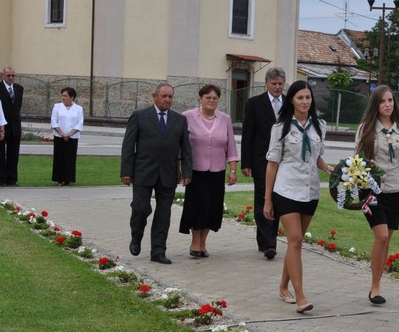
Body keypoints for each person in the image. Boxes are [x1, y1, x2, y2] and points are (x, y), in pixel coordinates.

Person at [263, 80, 331, 314]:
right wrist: (268, 199)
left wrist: (328, 168)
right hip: (287, 189)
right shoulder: (280, 127)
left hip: (310, 190)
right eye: (300, 97)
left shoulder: (319, 126)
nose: (304, 101)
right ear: (291, 99)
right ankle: (300, 296)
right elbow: (272, 163)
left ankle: (283, 287)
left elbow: (317, 156)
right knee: (295, 239)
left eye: (308, 97)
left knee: (296, 243)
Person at [354, 85, 399, 305]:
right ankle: (375, 287)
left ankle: (377, 282)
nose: (387, 105)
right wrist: (365, 164)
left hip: (394, 190)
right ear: (376, 104)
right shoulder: (366, 129)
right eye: (383, 101)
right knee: (381, 236)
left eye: (390, 100)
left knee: (386, 239)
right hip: (371, 190)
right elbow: (357, 160)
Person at [120, 82, 193, 264]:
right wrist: (126, 171)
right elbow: (128, 145)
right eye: (164, 96)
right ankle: (136, 237)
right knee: (140, 208)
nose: (167, 99)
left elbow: (186, 148)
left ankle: (158, 251)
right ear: (154, 97)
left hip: (168, 174)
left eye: (170, 97)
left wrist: (187, 172)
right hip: (143, 172)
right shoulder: (139, 116)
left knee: (163, 214)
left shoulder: (179, 120)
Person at [179, 84, 239, 258]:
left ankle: (203, 243)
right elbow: (181, 145)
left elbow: (231, 146)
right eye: (208, 98)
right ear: (200, 98)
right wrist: (180, 168)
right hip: (195, 171)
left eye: (215, 98)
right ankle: (195, 242)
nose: (211, 101)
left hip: (217, 171)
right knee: (197, 206)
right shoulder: (187, 116)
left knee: (212, 207)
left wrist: (233, 170)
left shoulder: (225, 119)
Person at [241, 67, 287, 260]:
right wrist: (246, 162)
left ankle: (267, 239)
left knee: (277, 199)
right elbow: (247, 134)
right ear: (267, 83)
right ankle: (269, 243)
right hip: (261, 160)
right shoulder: (254, 103)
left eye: (280, 84)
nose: (277, 87)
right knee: (263, 198)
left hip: (284, 161)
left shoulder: (290, 103)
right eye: (274, 83)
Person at [0, 67, 23, 185]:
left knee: (13, 154)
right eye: (8, 75)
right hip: (1, 126)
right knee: (0, 153)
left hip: (15, 126)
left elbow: (18, 106)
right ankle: (0, 178)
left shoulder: (19, 89)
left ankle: (12, 179)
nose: (11, 77)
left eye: (12, 75)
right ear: (3, 76)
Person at [50, 87, 84, 186]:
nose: (63, 98)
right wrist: (62, 133)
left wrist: (69, 134)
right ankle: (59, 179)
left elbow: (80, 123)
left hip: (72, 137)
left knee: (70, 158)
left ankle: (68, 179)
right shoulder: (57, 107)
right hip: (59, 136)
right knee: (59, 157)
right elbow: (54, 121)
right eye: (62, 95)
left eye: (65, 96)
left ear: (72, 97)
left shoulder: (78, 109)